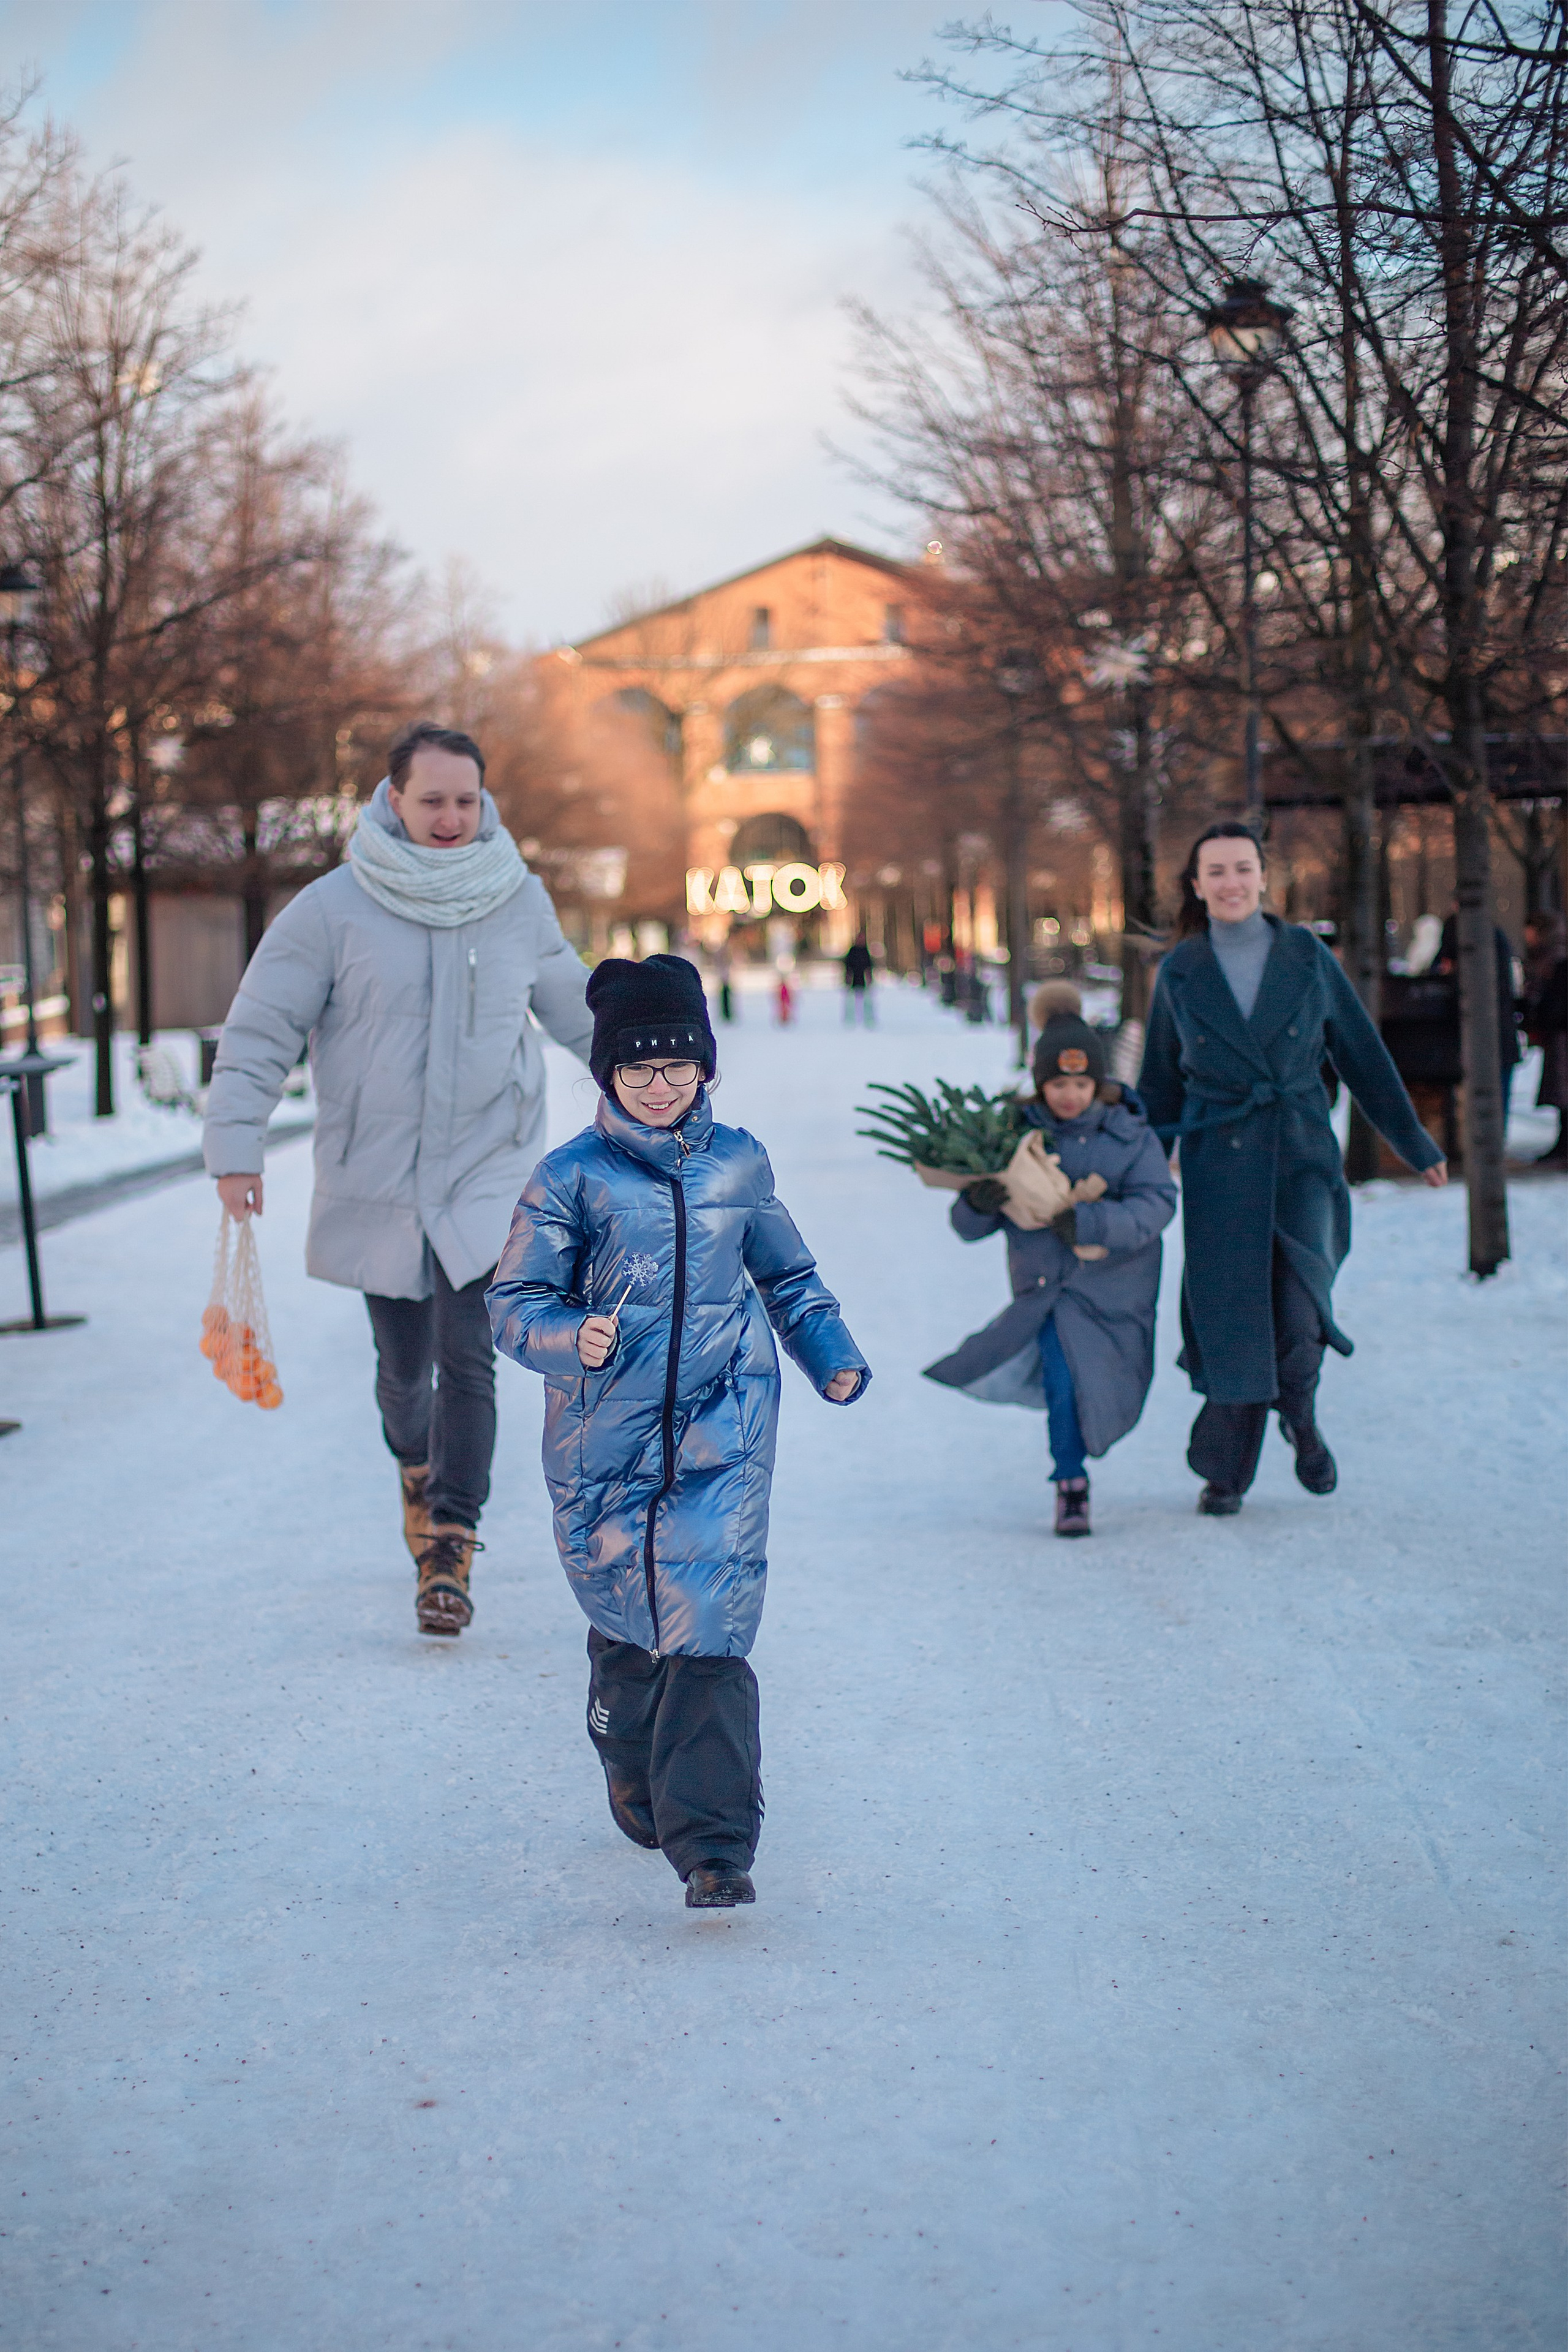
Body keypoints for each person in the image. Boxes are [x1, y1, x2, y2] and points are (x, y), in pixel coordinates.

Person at [486, 954, 869, 1910]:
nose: (659, 1088)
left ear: (705, 1067)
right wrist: (573, 1335)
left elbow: (787, 1276)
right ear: (607, 1074)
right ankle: (624, 1741)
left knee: (709, 1625)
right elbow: (512, 1302)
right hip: (602, 1438)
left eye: (677, 1067)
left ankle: (715, 1849)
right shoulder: (570, 1176)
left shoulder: (738, 1161)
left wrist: (831, 1354)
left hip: (725, 1419)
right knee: (630, 1623)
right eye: (637, 1070)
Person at [203, 720, 594, 1635]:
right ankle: (416, 1470)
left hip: (488, 1175)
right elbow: (260, 1029)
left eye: (465, 800)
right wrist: (235, 1148)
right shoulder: (332, 908)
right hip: (377, 1177)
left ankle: (451, 1541)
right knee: (401, 1373)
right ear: (393, 800)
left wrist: (660, 1064)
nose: (451, 817)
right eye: (433, 801)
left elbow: (575, 1004)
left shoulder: (517, 900)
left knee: (472, 1363)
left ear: (484, 800)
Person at [1139, 822, 1446, 1516]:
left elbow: (1361, 1053)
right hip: (1220, 1163)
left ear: (1262, 877)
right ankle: (1226, 1472)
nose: (1230, 882)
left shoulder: (1305, 955)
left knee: (1301, 1307)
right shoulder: (1180, 972)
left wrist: (1413, 1141)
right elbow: (1158, 1080)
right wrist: (1141, 1172)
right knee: (1230, 1313)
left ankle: (1300, 1417)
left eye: (1241, 868)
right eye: (1214, 871)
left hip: (1302, 1151)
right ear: (1196, 885)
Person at [924, 982, 1177, 1537]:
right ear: (1041, 1082)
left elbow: (1157, 1204)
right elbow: (968, 1228)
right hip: (1048, 1294)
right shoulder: (1014, 1136)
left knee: (1106, 1388)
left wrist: (1090, 1222)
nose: (1069, 1095)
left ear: (1099, 1083)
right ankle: (1070, 1484)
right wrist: (976, 1203)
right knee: (1064, 1383)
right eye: (1058, 1083)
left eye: (1081, 1083)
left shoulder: (1130, 1135)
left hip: (1115, 1294)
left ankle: (1076, 1463)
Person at [1436, 902, 1522, 1134]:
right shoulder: (1492, 934)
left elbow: (1443, 967)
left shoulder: (1464, 934)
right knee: (1498, 1088)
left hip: (1479, 1031)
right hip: (1499, 1029)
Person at [1521, 911, 1567, 1166]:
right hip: (1558, 1032)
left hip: (1561, 1033)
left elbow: (1556, 998)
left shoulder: (1557, 960)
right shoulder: (1551, 959)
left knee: (1563, 1089)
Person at [843, 933, 875, 1025]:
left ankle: (869, 1019)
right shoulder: (852, 951)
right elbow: (848, 966)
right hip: (853, 979)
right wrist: (847, 978)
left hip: (864, 979)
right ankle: (849, 1019)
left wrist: (869, 978)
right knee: (850, 1001)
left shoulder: (866, 951)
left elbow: (869, 966)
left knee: (867, 1001)